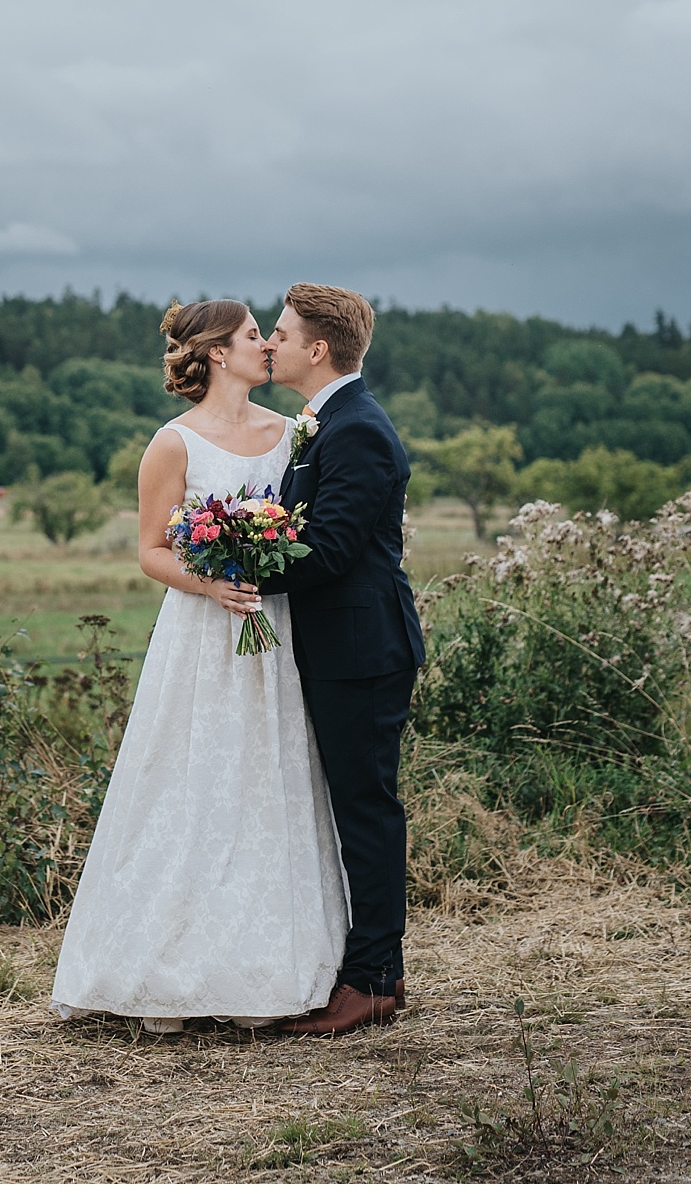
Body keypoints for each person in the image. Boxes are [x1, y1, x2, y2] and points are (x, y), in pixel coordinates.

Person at [49, 299, 347, 1034]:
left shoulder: (293, 436)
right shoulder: (172, 444)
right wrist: (211, 581)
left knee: (265, 783)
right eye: (254, 336)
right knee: (190, 785)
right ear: (217, 352)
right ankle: (166, 969)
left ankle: (265, 968)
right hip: (199, 636)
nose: (266, 346)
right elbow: (152, 549)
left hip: (270, 631)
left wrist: (262, 567)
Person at [255, 283, 426, 1036]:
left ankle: (375, 979)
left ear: (318, 348)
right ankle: (359, 965)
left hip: (363, 648)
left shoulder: (355, 429)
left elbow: (324, 552)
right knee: (351, 805)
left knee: (365, 807)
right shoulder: (324, 421)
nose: (270, 344)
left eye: (282, 334)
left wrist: (233, 564)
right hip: (338, 645)